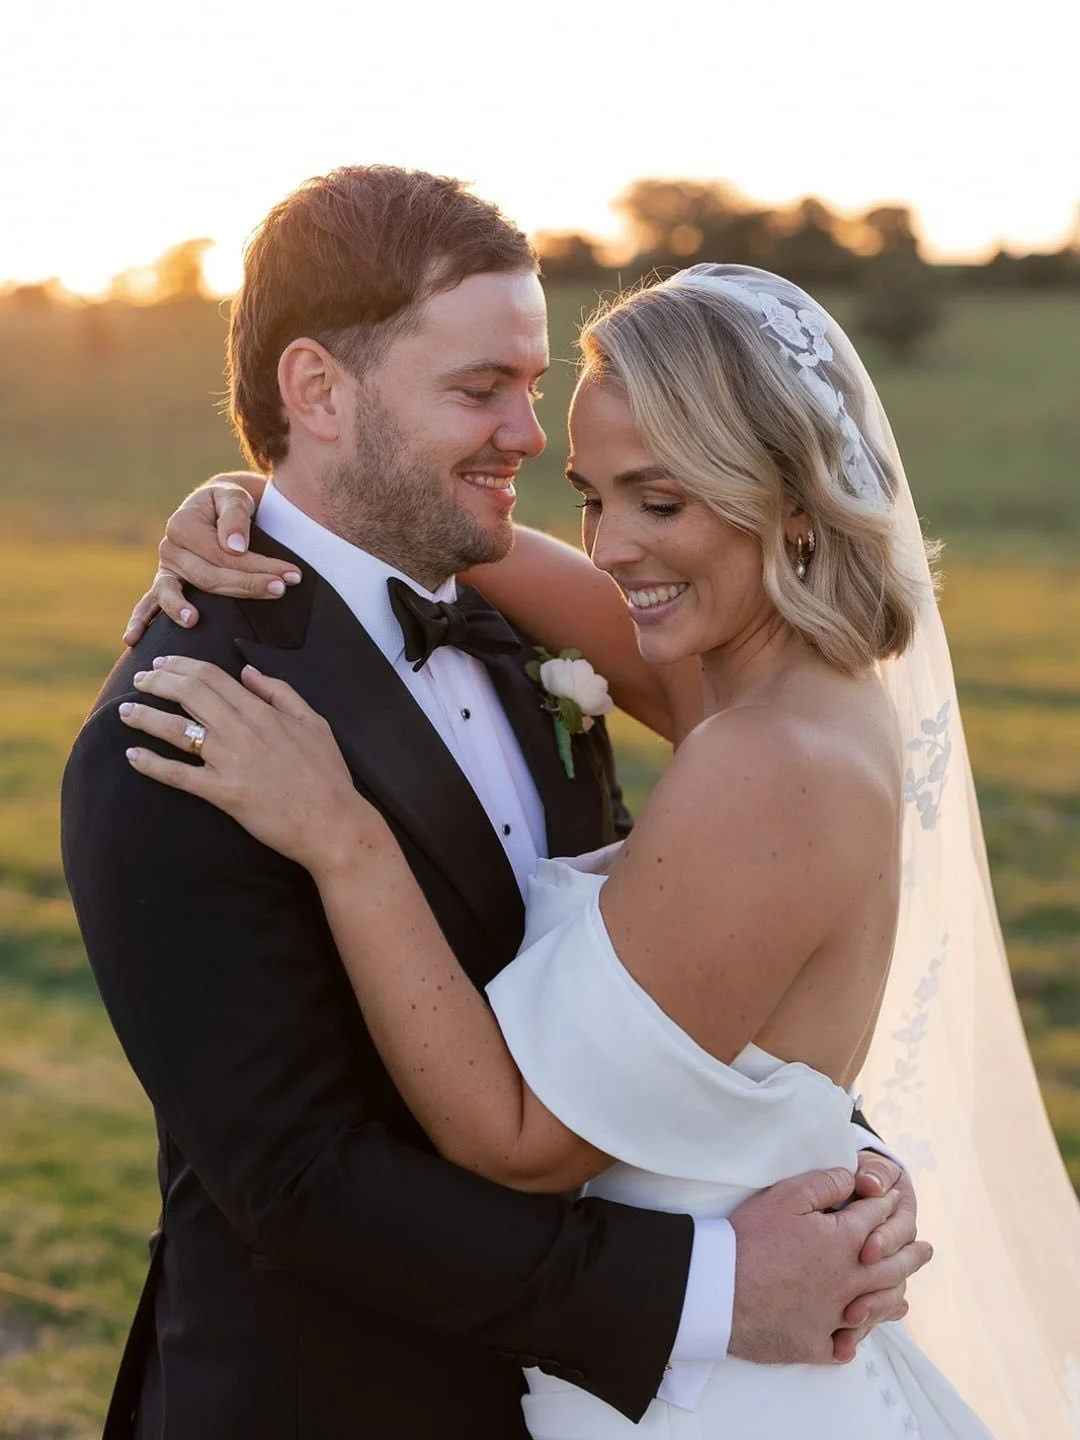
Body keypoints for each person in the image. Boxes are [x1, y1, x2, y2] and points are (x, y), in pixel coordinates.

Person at [123, 261, 1080, 1439]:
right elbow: (431, 539)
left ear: (790, 499)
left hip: (724, 1390)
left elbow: (522, 1144)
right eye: (589, 496)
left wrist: (345, 839)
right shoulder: (776, 683)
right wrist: (257, 502)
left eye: (660, 502)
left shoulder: (768, 758)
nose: (616, 550)